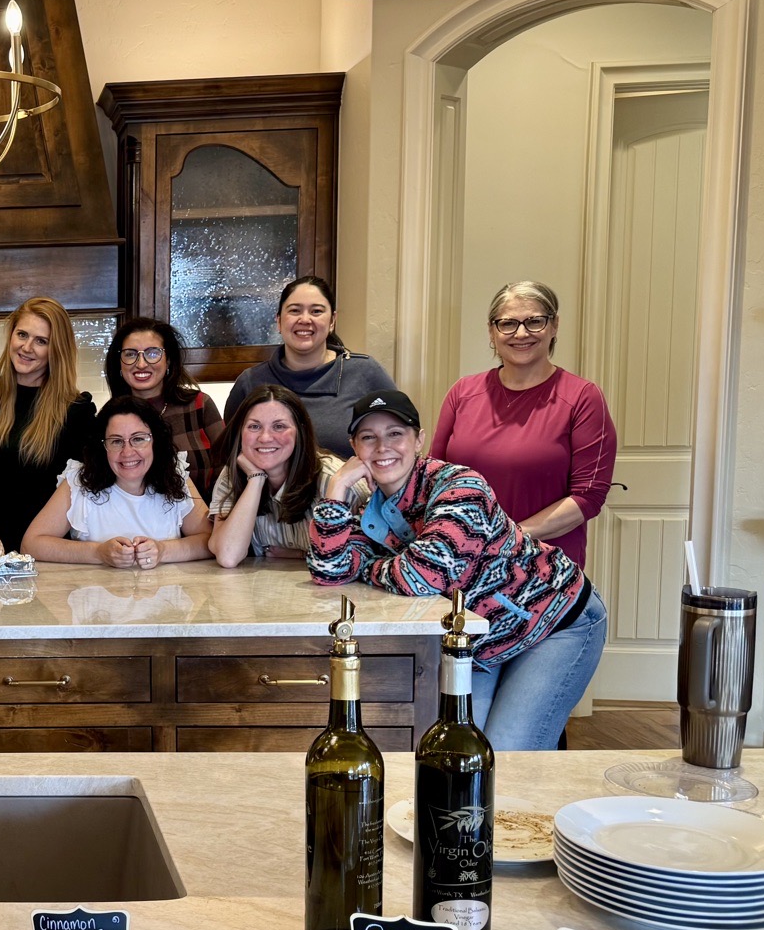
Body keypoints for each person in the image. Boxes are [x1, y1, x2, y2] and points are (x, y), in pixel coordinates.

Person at [309, 390, 607, 751]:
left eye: (395, 434)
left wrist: (370, 567)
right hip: (480, 640)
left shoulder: (460, 485)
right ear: (354, 447)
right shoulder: (370, 507)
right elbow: (329, 569)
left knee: (507, 753)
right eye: (368, 437)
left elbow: (423, 575)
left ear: (418, 440)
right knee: (458, 752)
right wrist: (337, 487)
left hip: (556, 620)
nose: (382, 447)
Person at [430, 281, 617, 569]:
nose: (521, 333)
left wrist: (505, 539)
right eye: (507, 323)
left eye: (534, 321)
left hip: (542, 571)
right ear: (492, 331)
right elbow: (435, 479)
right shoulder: (463, 392)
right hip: (463, 563)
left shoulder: (582, 397)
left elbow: (587, 498)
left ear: (554, 326)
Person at [22, 396, 212, 569]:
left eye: (138, 439)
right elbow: (31, 544)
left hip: (165, 601)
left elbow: (211, 541)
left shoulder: (175, 476)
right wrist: (98, 553)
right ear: (102, 446)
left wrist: (163, 550)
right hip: (94, 601)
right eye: (116, 441)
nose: (128, 452)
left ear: (156, 441)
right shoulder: (79, 482)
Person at [0, 296, 97, 552]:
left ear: (56, 350)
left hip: (52, 552)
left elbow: (86, 493)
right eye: (22, 335)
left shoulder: (76, 411)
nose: (27, 347)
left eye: (41, 341)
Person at [224, 277, 396, 458]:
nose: (305, 319)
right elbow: (231, 453)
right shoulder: (251, 382)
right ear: (279, 321)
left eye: (316, 311)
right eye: (295, 310)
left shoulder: (364, 372)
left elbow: (398, 441)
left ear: (332, 321)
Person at [207, 384, 360, 567]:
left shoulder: (334, 480)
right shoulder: (233, 474)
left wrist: (303, 554)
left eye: (279, 426)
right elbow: (228, 556)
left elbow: (353, 559)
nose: (265, 438)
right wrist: (255, 479)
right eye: (254, 426)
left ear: (300, 432)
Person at [105, 316, 223, 501]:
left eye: (153, 353)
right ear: (118, 363)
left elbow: (229, 470)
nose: (141, 363)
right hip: (135, 528)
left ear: (168, 361)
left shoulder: (199, 405)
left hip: (208, 521)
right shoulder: (110, 418)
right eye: (130, 354)